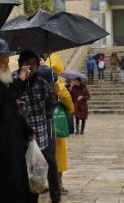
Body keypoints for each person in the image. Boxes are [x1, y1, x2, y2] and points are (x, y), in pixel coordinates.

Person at [0, 38, 36, 203]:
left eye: (7, 59)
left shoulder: (5, 84)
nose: (6, 63)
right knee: (1, 187)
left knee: (16, 185)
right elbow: (1, 104)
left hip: (13, 142)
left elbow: (14, 112)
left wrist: (27, 130)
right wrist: (20, 82)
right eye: (1, 60)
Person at [17, 50, 60, 202]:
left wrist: (54, 97)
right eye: (27, 63)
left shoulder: (42, 83)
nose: (31, 66)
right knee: (26, 177)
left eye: (34, 63)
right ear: (21, 65)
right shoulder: (14, 83)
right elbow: (17, 111)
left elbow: (49, 110)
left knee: (48, 172)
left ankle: (55, 197)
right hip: (22, 139)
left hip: (42, 136)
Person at [44, 53, 75, 196]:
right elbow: (69, 103)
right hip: (55, 123)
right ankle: (57, 184)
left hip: (37, 123)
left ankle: (41, 182)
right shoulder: (57, 83)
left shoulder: (33, 79)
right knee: (57, 154)